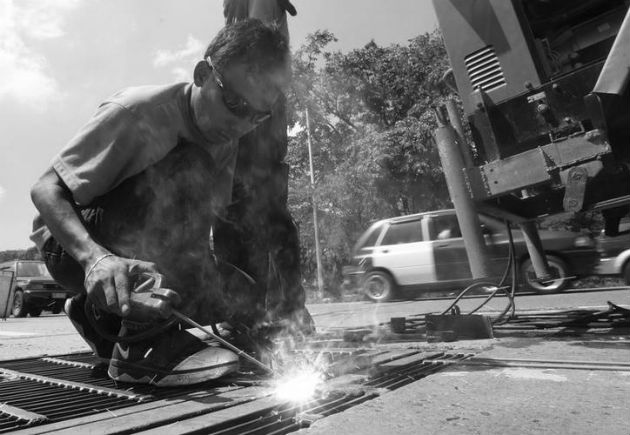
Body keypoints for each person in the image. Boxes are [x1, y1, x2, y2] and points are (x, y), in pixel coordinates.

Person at [30, 19, 312, 387]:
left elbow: (204, 226)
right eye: (234, 103)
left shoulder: (228, 136)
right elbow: (45, 189)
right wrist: (93, 259)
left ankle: (97, 317)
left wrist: (239, 299)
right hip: (70, 246)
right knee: (189, 165)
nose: (241, 124)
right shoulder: (137, 112)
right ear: (202, 74)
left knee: (241, 293)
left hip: (134, 254)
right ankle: (140, 353)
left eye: (257, 115)